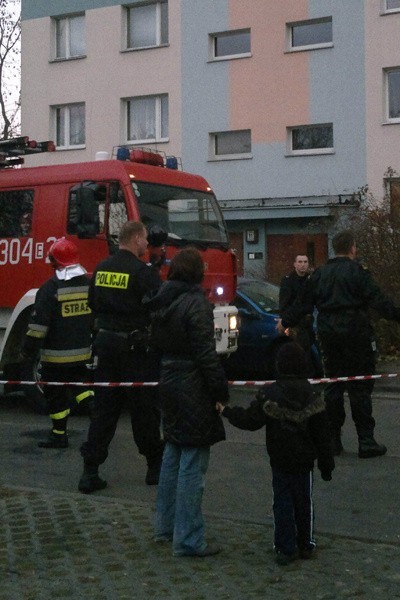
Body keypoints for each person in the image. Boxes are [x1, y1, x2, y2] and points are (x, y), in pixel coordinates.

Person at [278, 230, 400, 458]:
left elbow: (303, 303)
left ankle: (333, 440)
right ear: (352, 247)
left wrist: (285, 320)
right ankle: (366, 440)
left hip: (328, 333)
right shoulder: (358, 272)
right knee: (360, 386)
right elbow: (379, 301)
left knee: (333, 385)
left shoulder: (320, 274)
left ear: (335, 248)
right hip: (356, 333)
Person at [144, 247, 229, 557]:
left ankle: (165, 527)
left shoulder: (161, 301)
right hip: (192, 384)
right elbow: (206, 354)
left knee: (172, 453)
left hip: (168, 380)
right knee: (192, 461)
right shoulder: (196, 304)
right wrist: (220, 391)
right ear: (197, 273)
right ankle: (189, 538)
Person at [217, 342, 334, 566]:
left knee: (282, 502)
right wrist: (326, 465)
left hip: (280, 458)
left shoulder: (270, 394)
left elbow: (250, 421)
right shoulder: (312, 395)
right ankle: (306, 543)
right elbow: (323, 436)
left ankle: (285, 546)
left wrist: (227, 411)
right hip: (304, 460)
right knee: (303, 501)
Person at [78, 221, 164, 493]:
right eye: (146, 239)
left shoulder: (102, 268)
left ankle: (90, 471)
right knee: (144, 410)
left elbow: (92, 303)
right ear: (137, 238)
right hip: (135, 351)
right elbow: (159, 308)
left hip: (105, 347)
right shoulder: (143, 272)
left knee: (104, 410)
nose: (147, 244)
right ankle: (154, 467)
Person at [21, 238, 94, 448]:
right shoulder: (87, 284)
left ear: (55, 262)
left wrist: (27, 351)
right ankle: (97, 416)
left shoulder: (50, 288)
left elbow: (38, 327)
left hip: (55, 357)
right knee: (81, 388)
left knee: (56, 397)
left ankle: (59, 435)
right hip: (82, 354)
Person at [279, 254, 320, 376]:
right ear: (295, 264)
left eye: (305, 262)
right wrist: (284, 320)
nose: (303, 265)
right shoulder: (288, 280)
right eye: (300, 262)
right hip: (294, 323)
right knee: (300, 353)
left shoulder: (311, 280)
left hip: (308, 322)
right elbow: (284, 303)